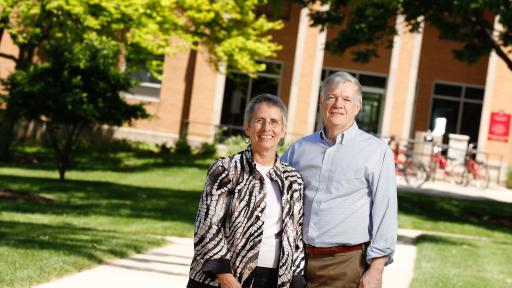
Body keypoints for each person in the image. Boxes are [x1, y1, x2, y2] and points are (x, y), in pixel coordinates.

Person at [282, 72, 397, 288]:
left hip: (345, 264)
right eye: (331, 97)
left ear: (358, 106)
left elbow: (386, 212)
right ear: (321, 102)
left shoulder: (376, 151)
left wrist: (377, 269)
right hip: (296, 262)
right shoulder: (299, 149)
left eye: (346, 99)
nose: (338, 105)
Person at [187, 94, 306, 288]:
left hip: (273, 280)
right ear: (247, 127)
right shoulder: (226, 170)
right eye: (260, 120)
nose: (267, 128)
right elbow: (207, 227)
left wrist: (296, 278)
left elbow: (296, 237)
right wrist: (225, 276)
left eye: (274, 122)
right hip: (221, 279)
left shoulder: (293, 179)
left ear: (283, 131)